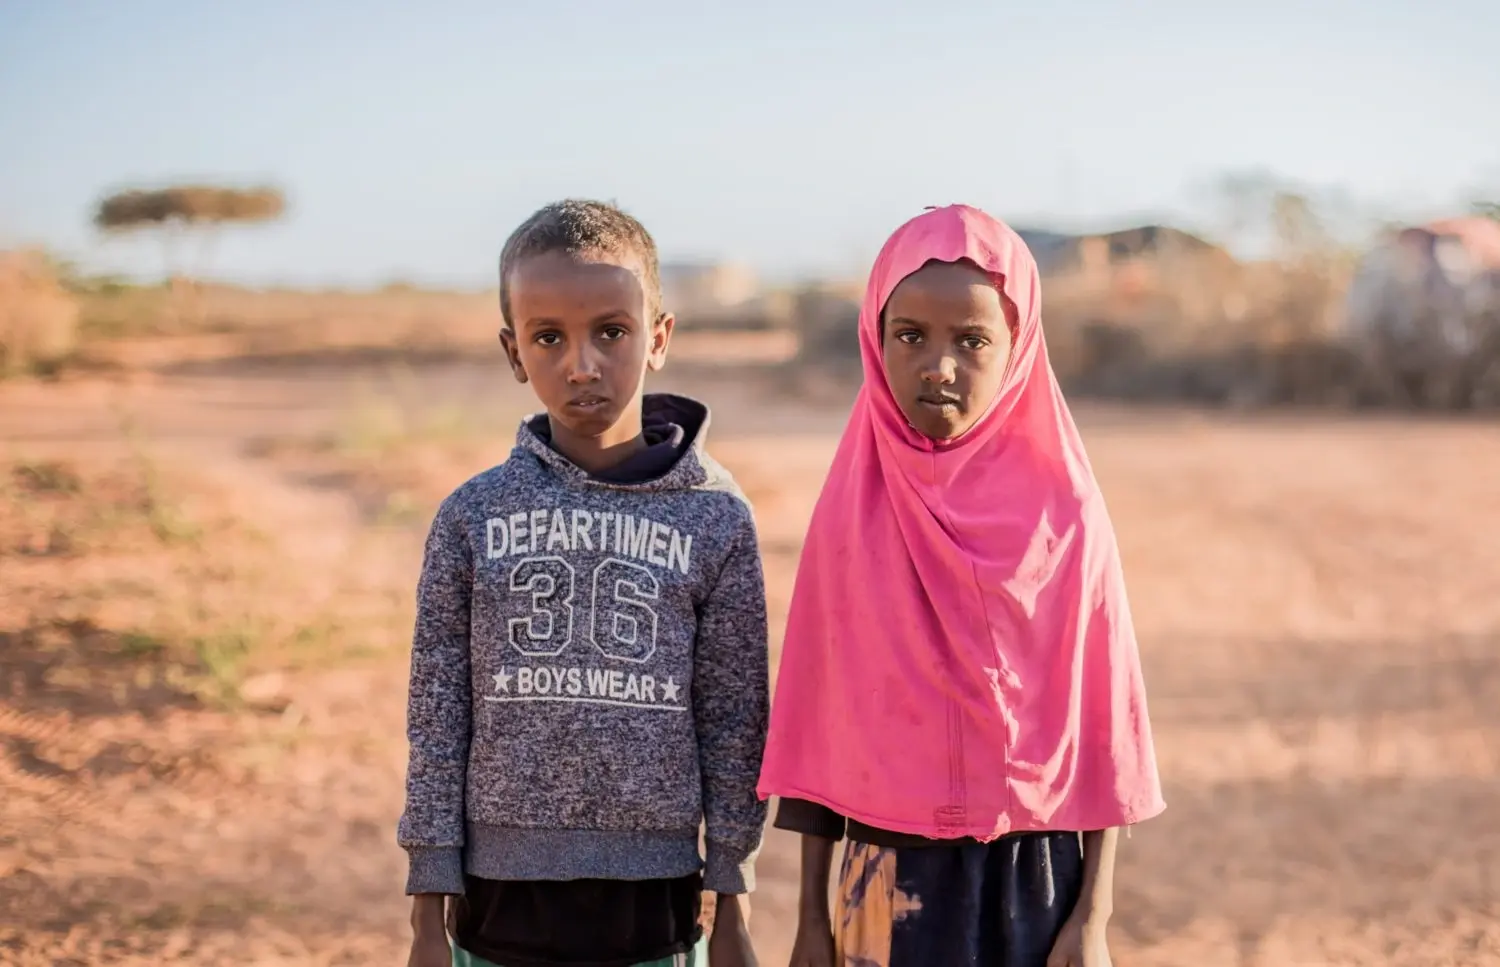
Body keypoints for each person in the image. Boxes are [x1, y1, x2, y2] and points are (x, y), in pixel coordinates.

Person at [757, 204, 1165, 967]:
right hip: (882, 871)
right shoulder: (853, 510)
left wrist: (1096, 915)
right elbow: (821, 716)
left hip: (1034, 875)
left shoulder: (1066, 511)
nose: (938, 365)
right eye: (909, 335)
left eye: (972, 340)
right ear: (875, 344)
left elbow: (1106, 719)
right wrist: (811, 921)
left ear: (1019, 348)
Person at [398, 199, 769, 967]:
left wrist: (733, 897)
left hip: (655, 895)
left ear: (658, 336)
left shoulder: (716, 519)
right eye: (547, 338)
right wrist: (424, 915)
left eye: (611, 331)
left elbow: (734, 719)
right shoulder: (471, 517)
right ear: (513, 352)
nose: (582, 363)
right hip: (497, 892)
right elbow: (437, 716)